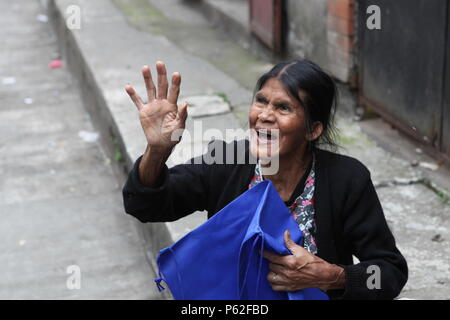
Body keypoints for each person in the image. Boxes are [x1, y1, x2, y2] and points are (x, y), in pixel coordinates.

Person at [122, 60, 408, 300]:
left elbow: (390, 271)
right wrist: (157, 152)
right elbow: (145, 205)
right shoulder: (228, 160)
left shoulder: (346, 179)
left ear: (313, 129)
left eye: (284, 108)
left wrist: (335, 276)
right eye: (260, 101)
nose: (264, 116)